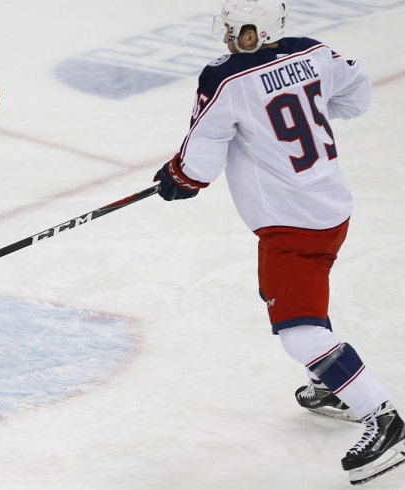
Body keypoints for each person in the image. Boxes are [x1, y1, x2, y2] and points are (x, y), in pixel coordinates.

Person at [152, 0, 404, 485]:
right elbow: (357, 94)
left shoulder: (223, 79)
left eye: (234, 29)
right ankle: (334, 386)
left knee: (298, 331)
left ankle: (384, 418)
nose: (227, 37)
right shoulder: (313, 52)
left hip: (290, 225)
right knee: (302, 298)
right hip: (331, 208)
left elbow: (201, 160)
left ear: (252, 32)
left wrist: (179, 177)